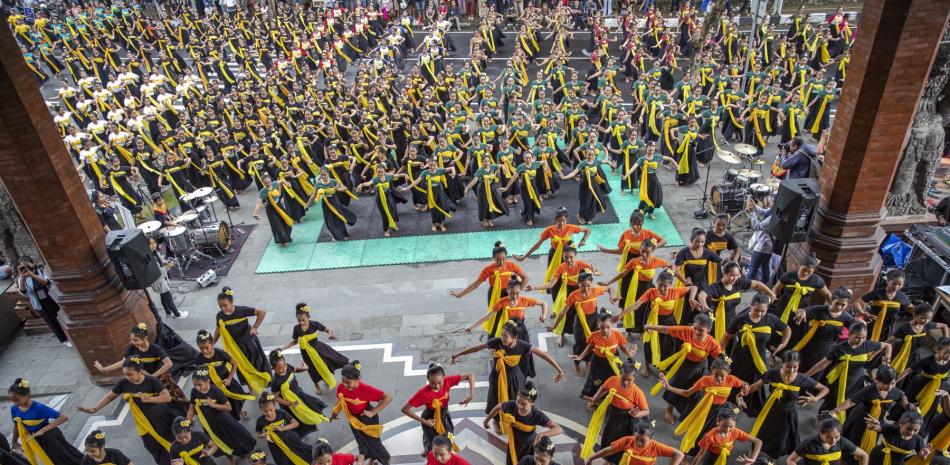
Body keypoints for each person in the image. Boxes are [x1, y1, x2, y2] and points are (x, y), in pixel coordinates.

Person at [78, 359, 180, 465]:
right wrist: (95, 408)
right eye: (125, 374)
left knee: (171, 443)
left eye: (130, 374)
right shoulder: (124, 383)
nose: (127, 377)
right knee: (153, 447)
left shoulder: (151, 381)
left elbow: (167, 397)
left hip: (160, 418)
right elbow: (110, 396)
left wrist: (149, 399)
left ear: (139, 371)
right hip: (143, 422)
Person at [451, 320, 565, 414]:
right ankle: (496, 420)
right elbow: (476, 348)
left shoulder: (523, 345)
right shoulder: (497, 342)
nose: (502, 338)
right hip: (498, 376)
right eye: (501, 335)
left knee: (515, 399)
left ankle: (511, 416)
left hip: (514, 378)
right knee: (495, 398)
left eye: (505, 336)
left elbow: (543, 355)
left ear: (514, 337)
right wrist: (457, 354)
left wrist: (559, 370)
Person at [743, 350, 829, 462]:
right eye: (788, 367)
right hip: (770, 410)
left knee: (780, 440)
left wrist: (815, 399)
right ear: (782, 363)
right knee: (760, 433)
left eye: (795, 367)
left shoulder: (802, 379)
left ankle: (771, 460)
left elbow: (825, 389)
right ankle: (751, 457)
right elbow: (756, 387)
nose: (792, 370)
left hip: (787, 414)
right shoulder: (773, 374)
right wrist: (743, 392)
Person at [805, 321, 891, 422]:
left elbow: (887, 346)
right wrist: (805, 376)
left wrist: (885, 359)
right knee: (832, 402)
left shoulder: (867, 345)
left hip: (856, 381)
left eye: (864, 337)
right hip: (838, 381)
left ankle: (841, 424)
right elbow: (822, 365)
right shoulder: (838, 348)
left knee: (850, 403)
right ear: (849, 335)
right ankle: (822, 421)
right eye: (857, 337)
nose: (860, 340)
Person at [720, 293, 790, 414]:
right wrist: (721, 354)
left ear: (767, 309)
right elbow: (726, 337)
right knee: (736, 380)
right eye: (756, 310)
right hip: (740, 357)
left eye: (763, 311)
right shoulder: (740, 319)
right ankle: (731, 403)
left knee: (757, 382)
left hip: (759, 358)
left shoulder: (770, 319)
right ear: (751, 306)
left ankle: (750, 406)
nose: (759, 313)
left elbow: (787, 329)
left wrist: (783, 344)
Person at [93, 323, 189, 411]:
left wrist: (153, 376)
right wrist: (105, 370)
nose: (133, 342)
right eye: (132, 340)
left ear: (145, 338)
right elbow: (123, 362)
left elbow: (169, 363)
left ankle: (186, 412)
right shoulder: (132, 348)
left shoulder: (155, 349)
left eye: (136, 340)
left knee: (173, 397)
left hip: (160, 378)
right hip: (144, 378)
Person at [450, 242, 529, 337]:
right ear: (493, 258)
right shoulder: (488, 269)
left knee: (510, 316)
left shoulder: (511, 265)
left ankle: (509, 337)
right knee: (494, 317)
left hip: (508, 293)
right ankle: (492, 339)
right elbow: (476, 284)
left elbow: (525, 277)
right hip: (494, 294)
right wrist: (460, 294)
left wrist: (516, 292)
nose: (502, 262)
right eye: (498, 260)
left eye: (504, 259)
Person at [581, 361, 651, 463]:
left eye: (629, 380)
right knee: (609, 438)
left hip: (626, 420)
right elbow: (604, 388)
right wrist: (594, 399)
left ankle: (616, 460)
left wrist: (637, 414)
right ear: (619, 374)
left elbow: (646, 411)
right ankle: (608, 459)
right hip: (612, 415)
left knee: (621, 443)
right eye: (623, 379)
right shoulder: (613, 380)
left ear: (634, 378)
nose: (625, 383)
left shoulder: (637, 392)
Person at [830, 365, 906, 453]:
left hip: (877, 422)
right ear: (876, 380)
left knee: (870, 442)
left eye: (893, 383)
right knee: (854, 441)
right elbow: (851, 401)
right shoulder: (868, 391)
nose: (889, 387)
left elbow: (902, 396)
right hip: (861, 420)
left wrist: (906, 404)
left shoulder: (894, 391)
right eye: (885, 384)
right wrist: (836, 410)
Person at [484, 381, 564, 465]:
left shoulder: (537, 415)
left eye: (524, 404)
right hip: (513, 444)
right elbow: (498, 407)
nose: (519, 406)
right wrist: (486, 420)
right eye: (518, 401)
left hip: (529, 446)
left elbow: (558, 429)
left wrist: (543, 434)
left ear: (532, 402)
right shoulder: (511, 406)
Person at [401, 364, 476, 452]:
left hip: (444, 415)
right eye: (432, 383)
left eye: (440, 382)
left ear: (444, 378)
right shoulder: (422, 393)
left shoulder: (448, 381)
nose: (437, 386)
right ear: (428, 379)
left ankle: (448, 450)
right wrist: (423, 421)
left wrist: (471, 395)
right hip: (430, 419)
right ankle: (430, 452)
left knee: (449, 435)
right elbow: (405, 409)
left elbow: (471, 375)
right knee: (433, 442)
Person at [8, 378, 83, 465]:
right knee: (53, 461)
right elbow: (17, 425)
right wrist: (14, 442)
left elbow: (63, 418)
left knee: (68, 456)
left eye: (17, 400)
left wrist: (42, 430)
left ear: (27, 395)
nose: (14, 403)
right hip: (37, 439)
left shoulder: (39, 408)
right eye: (12, 400)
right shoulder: (14, 409)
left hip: (51, 436)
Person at [331, 361, 393, 465]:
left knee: (374, 442)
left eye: (348, 382)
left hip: (367, 418)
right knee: (361, 441)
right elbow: (341, 401)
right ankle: (372, 457)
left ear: (357, 380)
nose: (345, 385)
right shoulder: (341, 387)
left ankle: (385, 460)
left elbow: (388, 397)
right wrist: (334, 414)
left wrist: (373, 412)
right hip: (353, 419)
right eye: (343, 381)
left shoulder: (365, 389)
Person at [278, 303, 349, 394]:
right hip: (306, 353)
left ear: (308, 317)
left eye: (303, 320)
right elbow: (295, 341)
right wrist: (283, 348)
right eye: (299, 320)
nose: (301, 323)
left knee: (329, 361)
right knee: (312, 370)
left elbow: (327, 330)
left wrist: (329, 335)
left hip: (318, 348)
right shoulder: (296, 328)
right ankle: (317, 386)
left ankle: (340, 374)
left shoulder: (314, 324)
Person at [214, 287, 272, 394]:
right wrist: (213, 342)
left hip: (249, 344)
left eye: (225, 305)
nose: (223, 308)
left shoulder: (241, 310)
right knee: (243, 369)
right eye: (220, 306)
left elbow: (261, 312)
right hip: (236, 348)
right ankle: (251, 390)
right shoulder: (220, 316)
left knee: (256, 365)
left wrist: (255, 327)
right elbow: (218, 329)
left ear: (232, 302)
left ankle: (263, 384)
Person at [514, 207, 590, 286]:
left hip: (566, 256)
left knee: (567, 275)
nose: (561, 223)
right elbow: (537, 245)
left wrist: (583, 240)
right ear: (555, 220)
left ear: (566, 220)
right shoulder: (550, 230)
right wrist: (524, 256)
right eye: (559, 221)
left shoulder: (570, 227)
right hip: (554, 255)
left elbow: (588, 230)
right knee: (553, 277)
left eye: (563, 221)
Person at [572, 311, 638, 398]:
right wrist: (581, 356)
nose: (605, 330)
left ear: (612, 324)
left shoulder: (618, 335)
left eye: (608, 327)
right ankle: (590, 394)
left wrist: (629, 353)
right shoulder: (594, 336)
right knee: (595, 378)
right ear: (598, 325)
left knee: (612, 378)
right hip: (597, 361)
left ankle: (609, 393)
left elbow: (622, 347)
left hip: (613, 361)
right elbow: (590, 347)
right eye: (602, 327)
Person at [193, 330, 251, 421]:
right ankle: (230, 418)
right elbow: (199, 374)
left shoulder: (220, 353)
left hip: (226, 382)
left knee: (235, 400)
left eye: (206, 347)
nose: (204, 351)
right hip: (213, 386)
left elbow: (235, 364)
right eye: (201, 349)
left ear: (212, 343)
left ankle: (239, 411)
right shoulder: (198, 359)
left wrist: (229, 378)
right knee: (222, 402)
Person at [465, 277, 547, 341]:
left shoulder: (524, 301)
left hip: (520, 330)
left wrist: (543, 316)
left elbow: (544, 303)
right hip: (507, 331)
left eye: (517, 293)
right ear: (507, 290)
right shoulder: (502, 302)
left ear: (520, 290)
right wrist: (472, 327)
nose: (515, 296)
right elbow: (488, 316)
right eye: (512, 294)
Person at [268, 349, 329, 434]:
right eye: (280, 369)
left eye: (284, 366)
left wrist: (303, 369)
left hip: (299, 395)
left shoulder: (287, 367)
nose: (283, 369)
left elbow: (295, 369)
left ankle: (311, 422)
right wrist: (289, 403)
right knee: (299, 419)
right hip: (289, 403)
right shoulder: (276, 381)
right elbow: (275, 397)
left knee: (309, 410)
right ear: (273, 368)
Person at [17, 256, 71, 346]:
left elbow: (47, 282)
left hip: (51, 299)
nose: (26, 268)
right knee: (52, 323)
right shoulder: (22, 279)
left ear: (32, 264)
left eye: (27, 266)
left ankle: (71, 334)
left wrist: (33, 275)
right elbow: (23, 292)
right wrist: (22, 279)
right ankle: (63, 339)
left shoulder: (41, 271)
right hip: (39, 304)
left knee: (62, 317)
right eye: (23, 267)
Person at [584, 417, 683, 465]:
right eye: (636, 438)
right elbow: (609, 450)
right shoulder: (628, 441)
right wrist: (591, 457)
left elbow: (679, 454)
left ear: (652, 438)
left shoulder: (656, 447)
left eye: (643, 441)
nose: (638, 443)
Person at [853, 269, 914, 343]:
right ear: (887, 281)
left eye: (899, 284)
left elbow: (909, 308)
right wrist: (863, 314)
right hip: (873, 325)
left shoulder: (901, 296)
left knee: (882, 346)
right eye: (894, 283)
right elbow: (857, 303)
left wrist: (920, 309)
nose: (896, 287)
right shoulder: (877, 293)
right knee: (868, 343)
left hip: (888, 328)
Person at [255, 393, 313, 465]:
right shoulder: (260, 421)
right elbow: (258, 434)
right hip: (275, 446)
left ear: (274, 405)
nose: (269, 413)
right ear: (261, 409)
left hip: (290, 439)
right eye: (265, 411)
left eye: (270, 410)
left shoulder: (281, 413)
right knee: (284, 461)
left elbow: (296, 423)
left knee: (302, 453)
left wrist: (283, 428)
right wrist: (262, 435)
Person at [785, 416, 869, 465]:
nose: (833, 441)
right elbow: (791, 460)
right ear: (820, 433)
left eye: (836, 436)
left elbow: (864, 455)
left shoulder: (842, 441)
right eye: (828, 437)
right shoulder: (808, 443)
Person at [692, 407, 762, 465]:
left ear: (735, 424)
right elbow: (700, 454)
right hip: (712, 456)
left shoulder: (736, 431)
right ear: (717, 422)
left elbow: (758, 441)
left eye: (731, 426)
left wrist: (753, 458)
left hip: (726, 455)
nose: (727, 429)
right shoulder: (709, 436)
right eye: (724, 426)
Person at [147, 237, 188, 319]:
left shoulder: (155, 252)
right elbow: (158, 272)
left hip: (160, 279)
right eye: (150, 244)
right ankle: (177, 314)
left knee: (163, 296)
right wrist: (169, 266)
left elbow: (161, 261)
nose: (153, 245)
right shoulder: (149, 257)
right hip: (157, 280)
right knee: (168, 296)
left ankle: (168, 313)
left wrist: (166, 262)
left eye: (154, 243)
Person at [252, 174, 294, 247]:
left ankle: (287, 237)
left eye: (269, 182)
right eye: (265, 183)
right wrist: (255, 213)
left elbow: (282, 180)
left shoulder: (274, 184)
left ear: (270, 180)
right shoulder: (263, 191)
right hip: (271, 210)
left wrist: (287, 185)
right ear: (263, 183)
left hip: (279, 206)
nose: (268, 184)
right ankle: (282, 241)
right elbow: (259, 203)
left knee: (286, 222)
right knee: (278, 226)